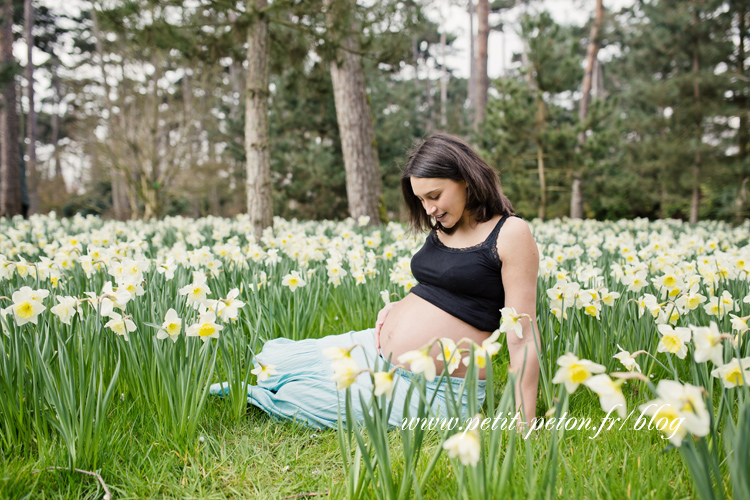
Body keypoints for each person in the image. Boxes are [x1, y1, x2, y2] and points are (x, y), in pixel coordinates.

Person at [212, 133, 541, 429]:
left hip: (434, 388)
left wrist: (523, 419)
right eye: (421, 200)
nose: (428, 210)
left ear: (466, 180)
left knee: (299, 396)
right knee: (274, 359)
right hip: (376, 346)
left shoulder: (510, 233)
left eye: (435, 195)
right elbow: (441, 285)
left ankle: (261, 395)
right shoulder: (445, 225)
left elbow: (522, 335)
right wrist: (398, 307)